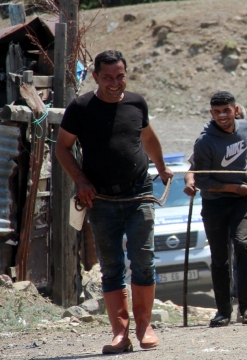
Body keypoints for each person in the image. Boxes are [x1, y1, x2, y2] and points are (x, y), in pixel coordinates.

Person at [55, 50, 172, 353]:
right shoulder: (80, 108)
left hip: (139, 194)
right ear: (95, 76)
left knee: (144, 260)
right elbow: (63, 149)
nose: (114, 82)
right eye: (107, 77)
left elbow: (148, 138)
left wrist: (161, 167)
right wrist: (80, 180)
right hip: (101, 199)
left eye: (120, 76)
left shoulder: (136, 103)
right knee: (111, 267)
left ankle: (145, 327)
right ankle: (120, 333)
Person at [192, 91, 247, 327]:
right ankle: (223, 311)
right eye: (216, 112)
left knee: (243, 246)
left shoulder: (245, 128)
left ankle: (246, 308)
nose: (222, 116)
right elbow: (202, 181)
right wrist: (235, 188)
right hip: (215, 204)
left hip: (242, 202)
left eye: (226, 110)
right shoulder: (204, 141)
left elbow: (243, 158)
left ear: (235, 110)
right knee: (220, 258)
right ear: (211, 113)